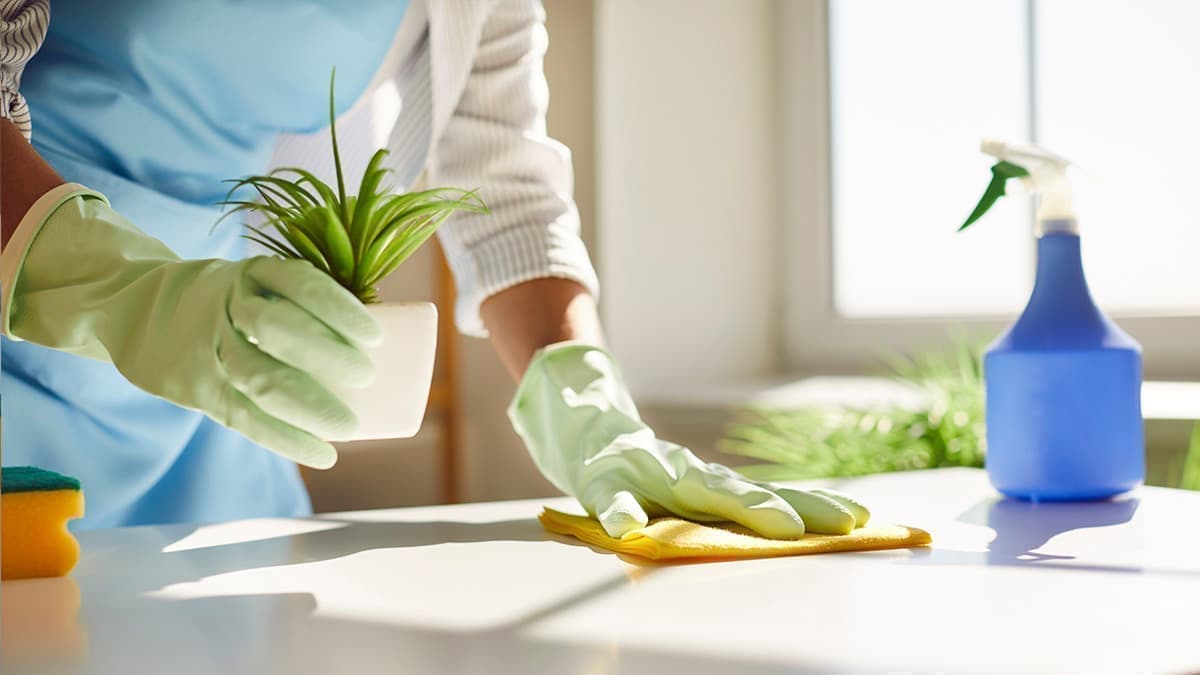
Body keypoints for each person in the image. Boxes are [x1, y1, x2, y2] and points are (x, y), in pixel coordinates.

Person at [0, 0, 868, 537]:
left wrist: (589, 403)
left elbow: (503, 179)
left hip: (211, 386)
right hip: (29, 319)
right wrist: (122, 294)